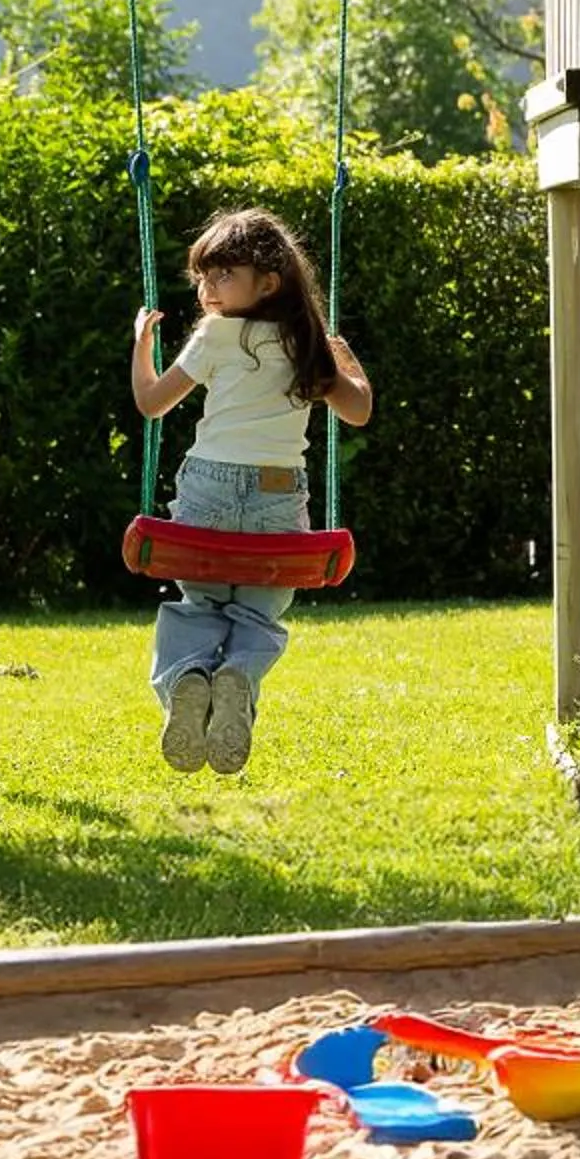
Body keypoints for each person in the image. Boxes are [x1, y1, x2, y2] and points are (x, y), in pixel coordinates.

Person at [130, 207, 373, 775]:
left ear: (268, 282)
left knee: (199, 606)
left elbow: (151, 403)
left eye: (221, 275)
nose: (206, 289)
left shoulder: (213, 335)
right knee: (258, 613)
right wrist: (351, 367)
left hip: (207, 489)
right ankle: (238, 675)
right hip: (278, 496)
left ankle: (189, 677)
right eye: (202, 277)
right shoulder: (304, 343)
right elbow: (357, 411)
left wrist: (142, 345)